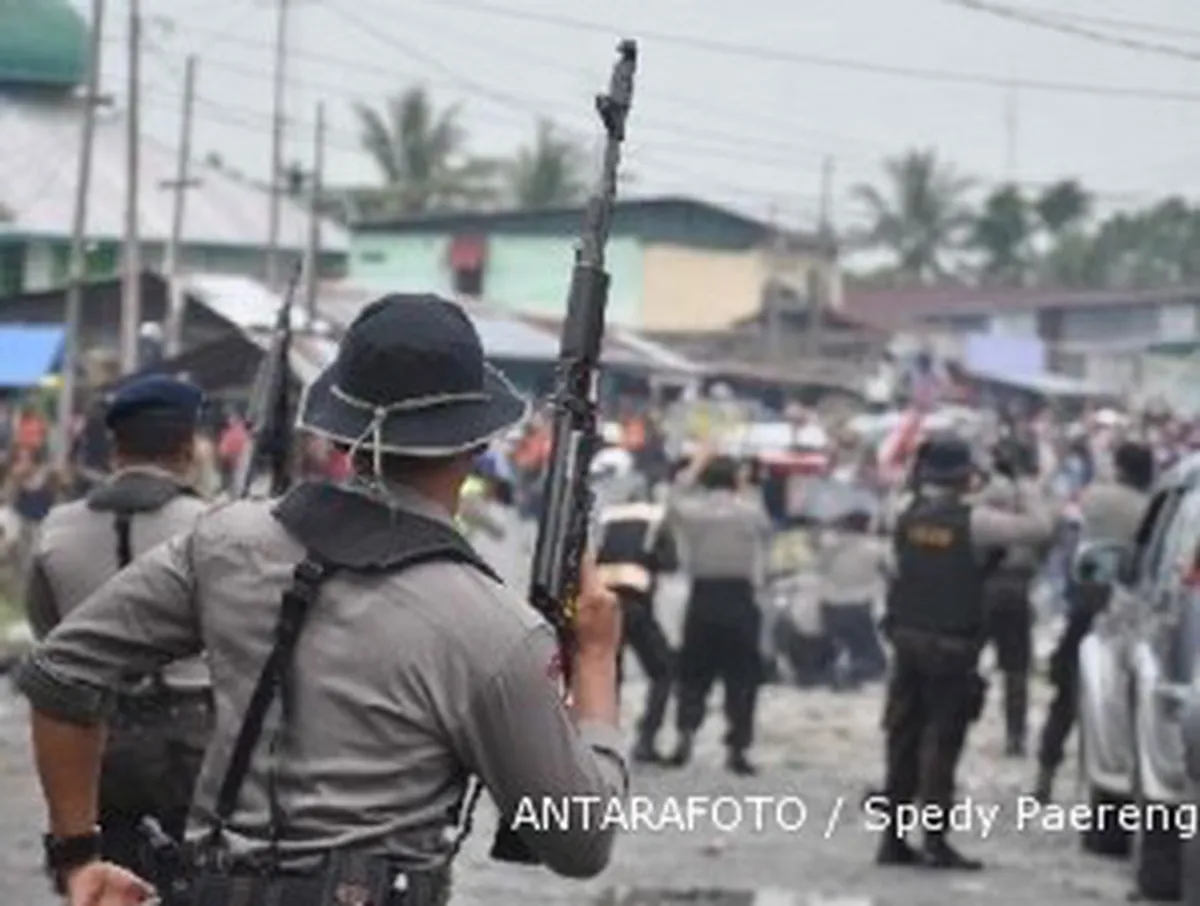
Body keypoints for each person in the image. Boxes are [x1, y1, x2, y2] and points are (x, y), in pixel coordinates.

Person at [16, 294, 627, 906]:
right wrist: (597, 660)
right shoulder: (496, 629)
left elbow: (59, 671)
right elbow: (580, 840)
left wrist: (77, 856)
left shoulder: (224, 541)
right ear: (478, 442)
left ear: (339, 436)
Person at [23, 375, 213, 876]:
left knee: (100, 878)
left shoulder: (57, 528)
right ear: (188, 448)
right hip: (192, 734)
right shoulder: (214, 526)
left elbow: (49, 639)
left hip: (94, 735)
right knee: (199, 880)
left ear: (114, 450)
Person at [874, 433, 1053, 870]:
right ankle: (935, 841)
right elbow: (1039, 528)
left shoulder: (904, 513)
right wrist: (1021, 480)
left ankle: (893, 839)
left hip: (906, 640)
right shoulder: (975, 522)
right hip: (951, 646)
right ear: (965, 476)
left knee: (902, 740)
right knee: (942, 743)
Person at [1032, 439, 1153, 803]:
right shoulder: (1150, 507)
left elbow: (1059, 531)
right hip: (1137, 614)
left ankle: (1045, 774)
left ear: (1119, 467)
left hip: (1088, 606)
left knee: (1065, 697)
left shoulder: (1095, 497)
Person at [666, 446, 772, 775]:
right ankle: (738, 748)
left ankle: (685, 737)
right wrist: (747, 484)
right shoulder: (750, 511)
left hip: (704, 596)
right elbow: (767, 532)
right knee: (742, 678)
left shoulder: (693, 512)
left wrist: (691, 472)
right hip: (740, 597)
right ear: (735, 481)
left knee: (693, 675)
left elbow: (671, 502)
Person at [595, 471, 678, 763]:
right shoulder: (656, 518)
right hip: (636, 605)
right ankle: (646, 741)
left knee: (609, 676)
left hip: (604, 605)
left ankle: (603, 742)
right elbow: (670, 563)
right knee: (663, 671)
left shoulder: (608, 519)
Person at [979, 436, 1047, 758]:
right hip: (1018, 585)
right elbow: (1048, 536)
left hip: (982, 584)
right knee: (1016, 670)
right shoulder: (1034, 495)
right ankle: (1015, 735)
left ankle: (949, 725)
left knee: (962, 661)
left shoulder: (984, 491)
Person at [814, 504, 888, 689]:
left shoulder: (829, 546)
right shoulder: (875, 548)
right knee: (867, 651)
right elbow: (889, 571)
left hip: (829, 603)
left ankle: (835, 669)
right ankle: (853, 673)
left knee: (838, 643)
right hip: (859, 604)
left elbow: (819, 567)